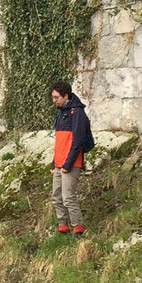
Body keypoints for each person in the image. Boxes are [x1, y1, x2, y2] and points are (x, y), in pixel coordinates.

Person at [49, 80, 90, 237]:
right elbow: (60, 141)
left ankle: (78, 228)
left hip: (71, 163)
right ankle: (63, 227)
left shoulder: (77, 113)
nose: (54, 101)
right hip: (60, 162)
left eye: (56, 97)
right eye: (53, 97)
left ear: (66, 96)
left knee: (68, 198)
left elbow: (77, 141)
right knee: (56, 197)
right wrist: (54, 162)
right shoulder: (62, 112)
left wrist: (68, 163)